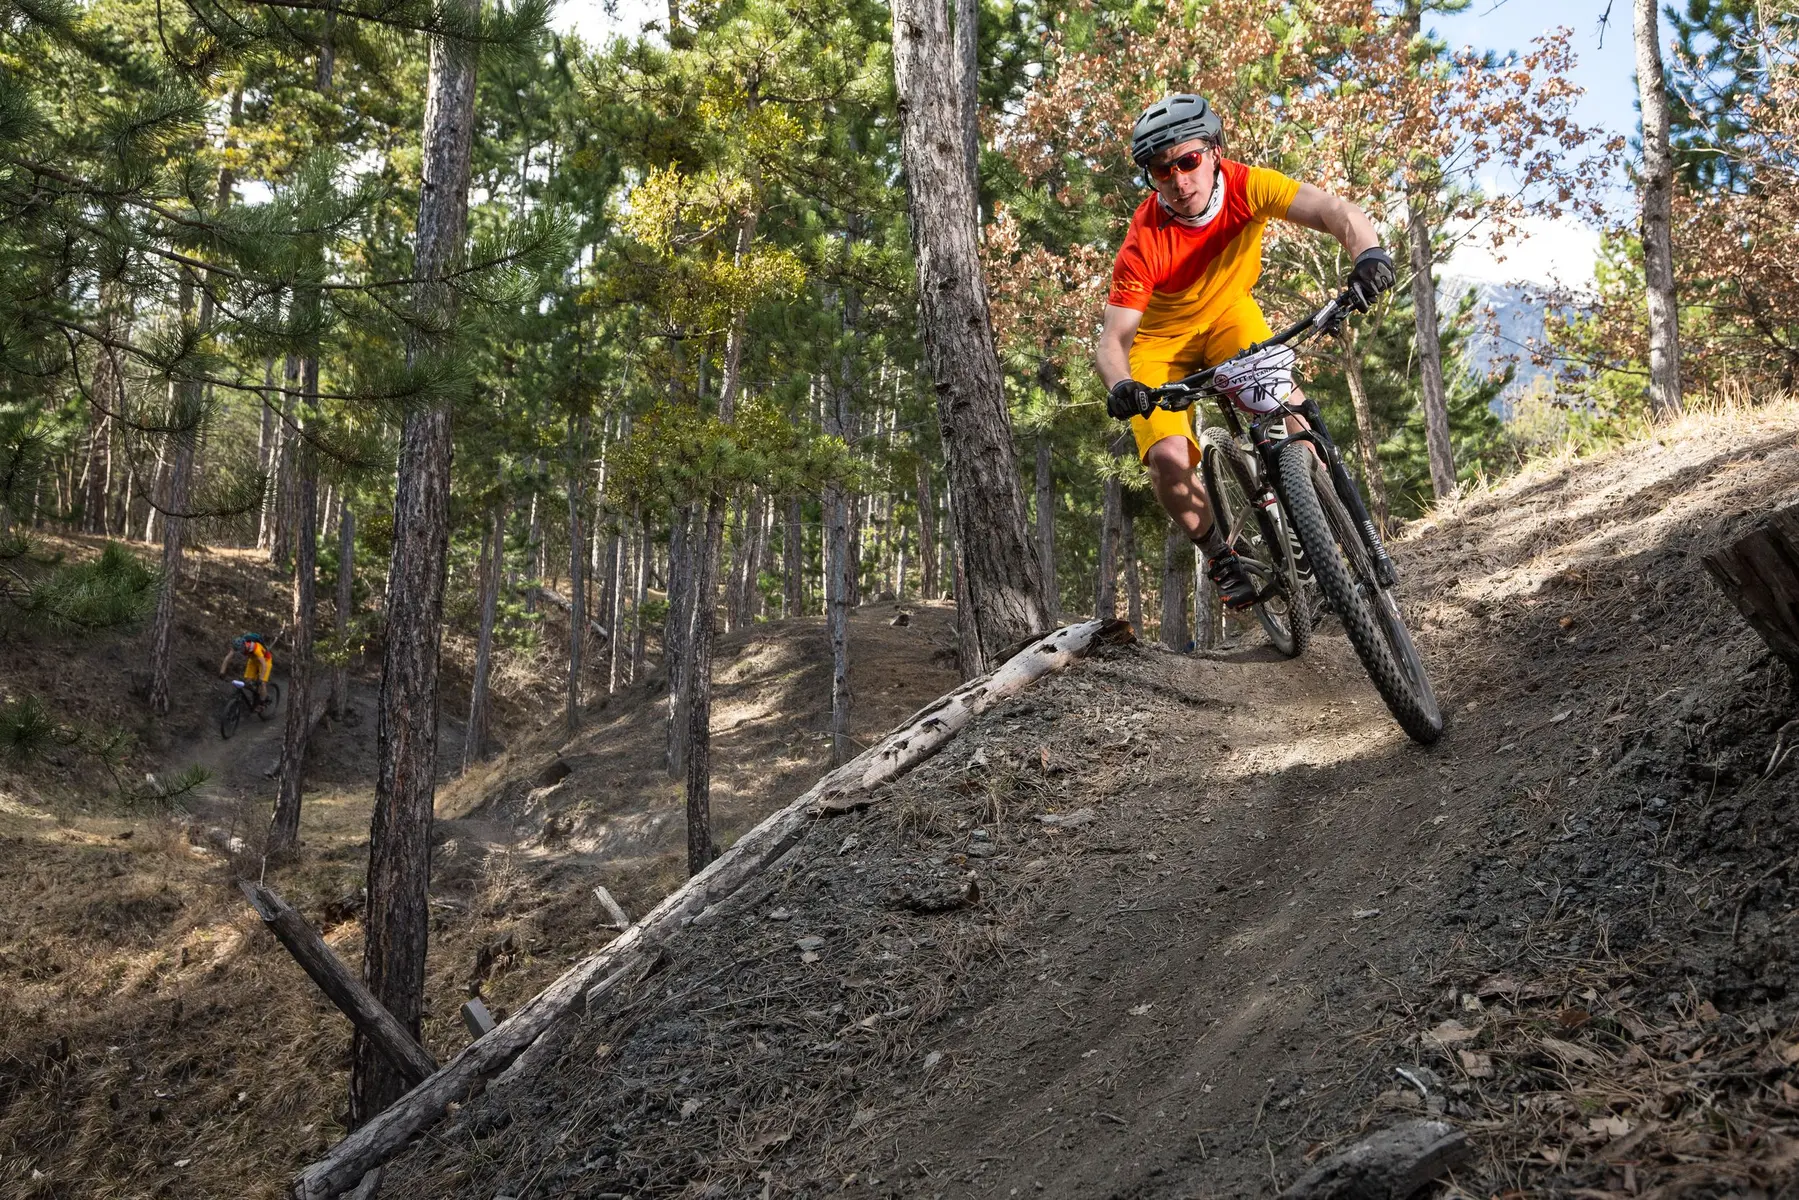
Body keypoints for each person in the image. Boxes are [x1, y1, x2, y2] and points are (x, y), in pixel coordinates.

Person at [1096, 93, 1396, 610]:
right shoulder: (1144, 241)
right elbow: (1113, 340)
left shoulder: (1248, 185)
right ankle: (1218, 553)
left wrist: (1368, 253)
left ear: (1215, 151)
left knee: (1291, 415)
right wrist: (1122, 384)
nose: (1178, 180)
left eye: (1188, 160)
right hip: (1159, 346)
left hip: (1229, 317)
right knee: (1168, 459)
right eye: (1162, 171)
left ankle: (1313, 526)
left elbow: (1335, 211)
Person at [220, 633, 274, 710]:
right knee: (247, 682)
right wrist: (222, 672)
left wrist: (261, 678)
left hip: (265, 660)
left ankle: (263, 702)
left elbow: (263, 664)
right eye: (238, 650)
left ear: (244, 645)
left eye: (241, 650)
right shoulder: (235, 646)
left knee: (262, 683)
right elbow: (227, 659)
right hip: (253, 660)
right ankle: (256, 694)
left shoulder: (255, 648)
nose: (240, 652)